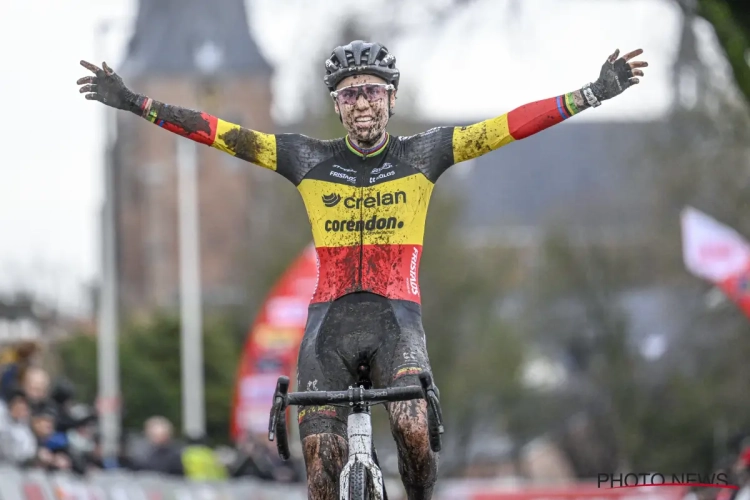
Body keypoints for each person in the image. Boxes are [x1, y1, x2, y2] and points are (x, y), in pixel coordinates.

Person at [76, 40, 647, 500]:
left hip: (397, 321)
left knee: (413, 430)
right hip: (328, 328)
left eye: (372, 91)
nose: (362, 103)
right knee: (321, 468)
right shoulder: (307, 158)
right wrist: (136, 103)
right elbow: (224, 134)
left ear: (391, 100)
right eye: (349, 95)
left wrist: (592, 93)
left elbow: (508, 126)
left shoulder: (426, 153)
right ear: (337, 106)